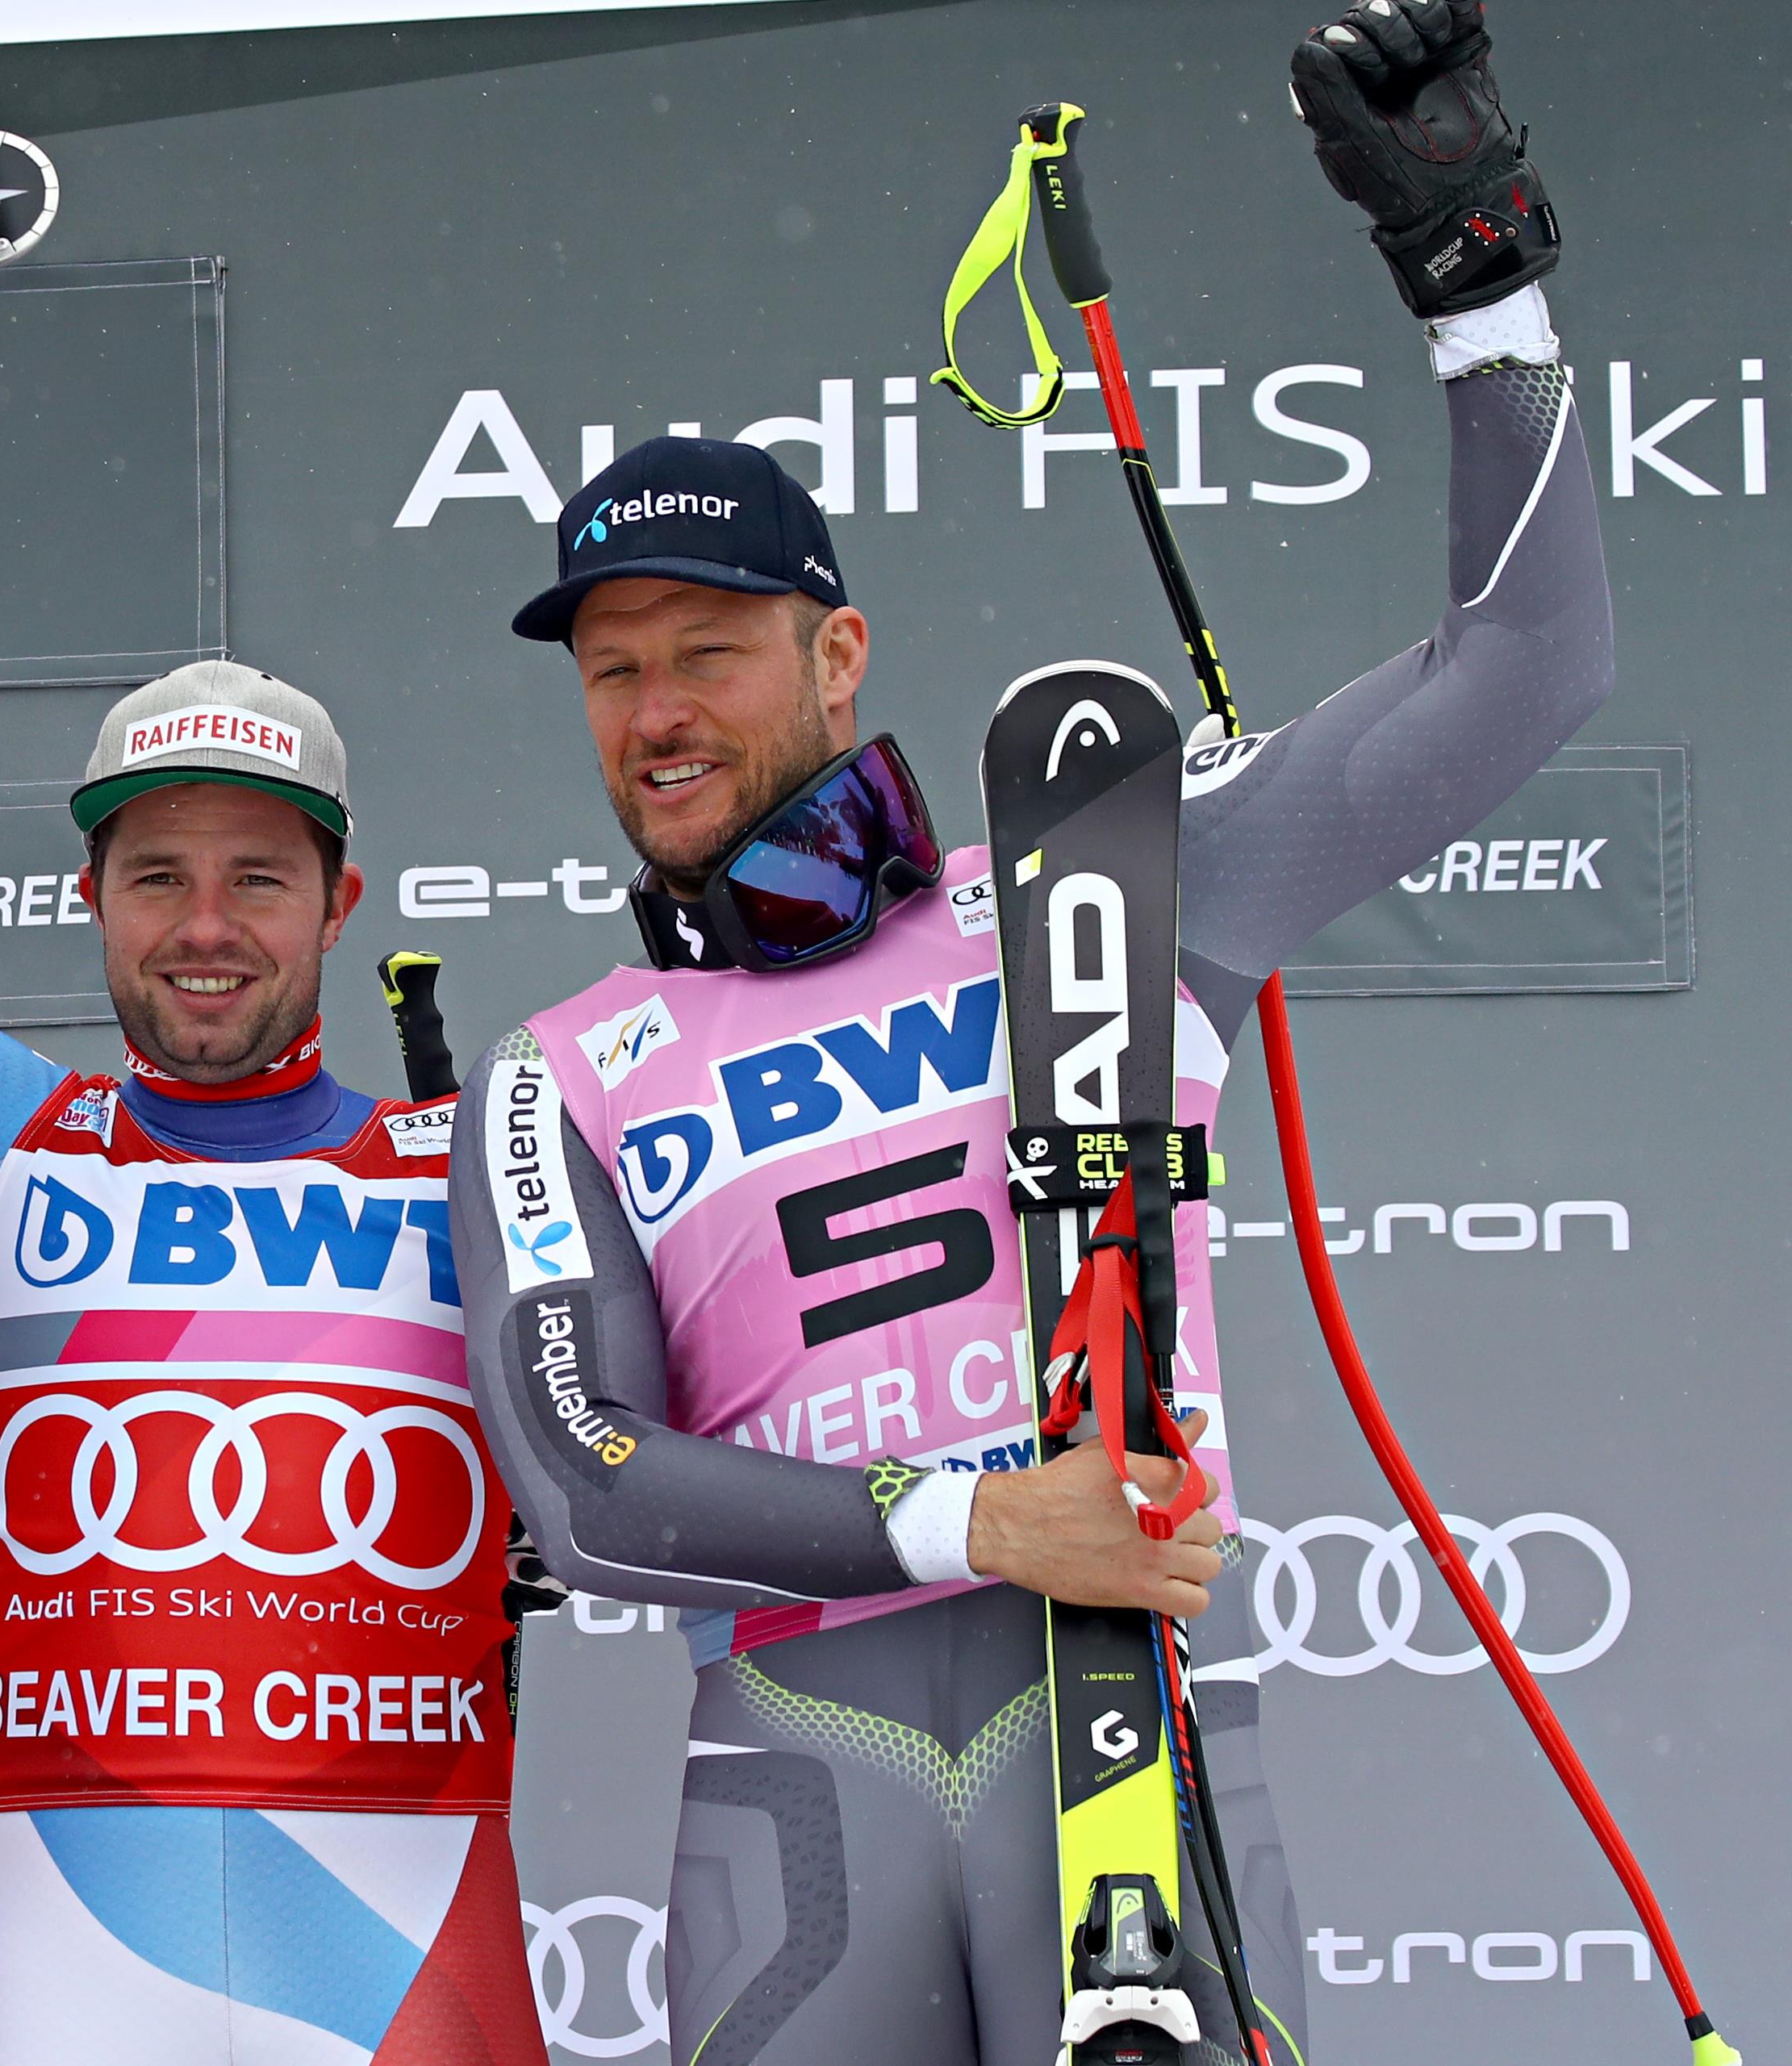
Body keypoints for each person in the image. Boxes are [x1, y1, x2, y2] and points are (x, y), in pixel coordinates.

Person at [450, 6, 1596, 2062]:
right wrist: (979, 1520)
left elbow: (1519, 671)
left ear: (837, 654)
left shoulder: (1111, 885)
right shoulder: (562, 1067)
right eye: (612, 675)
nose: (654, 715)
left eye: (705, 652)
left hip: (1124, 1737)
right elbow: (586, 1477)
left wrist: (1480, 293)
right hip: (797, 1771)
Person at [0, 381, 549, 2065]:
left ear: (340, 901)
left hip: (413, 1964)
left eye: (256, 879)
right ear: (88, 897)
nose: (204, 929)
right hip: (69, 1974)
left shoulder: (481, 1158)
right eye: (156, 878)